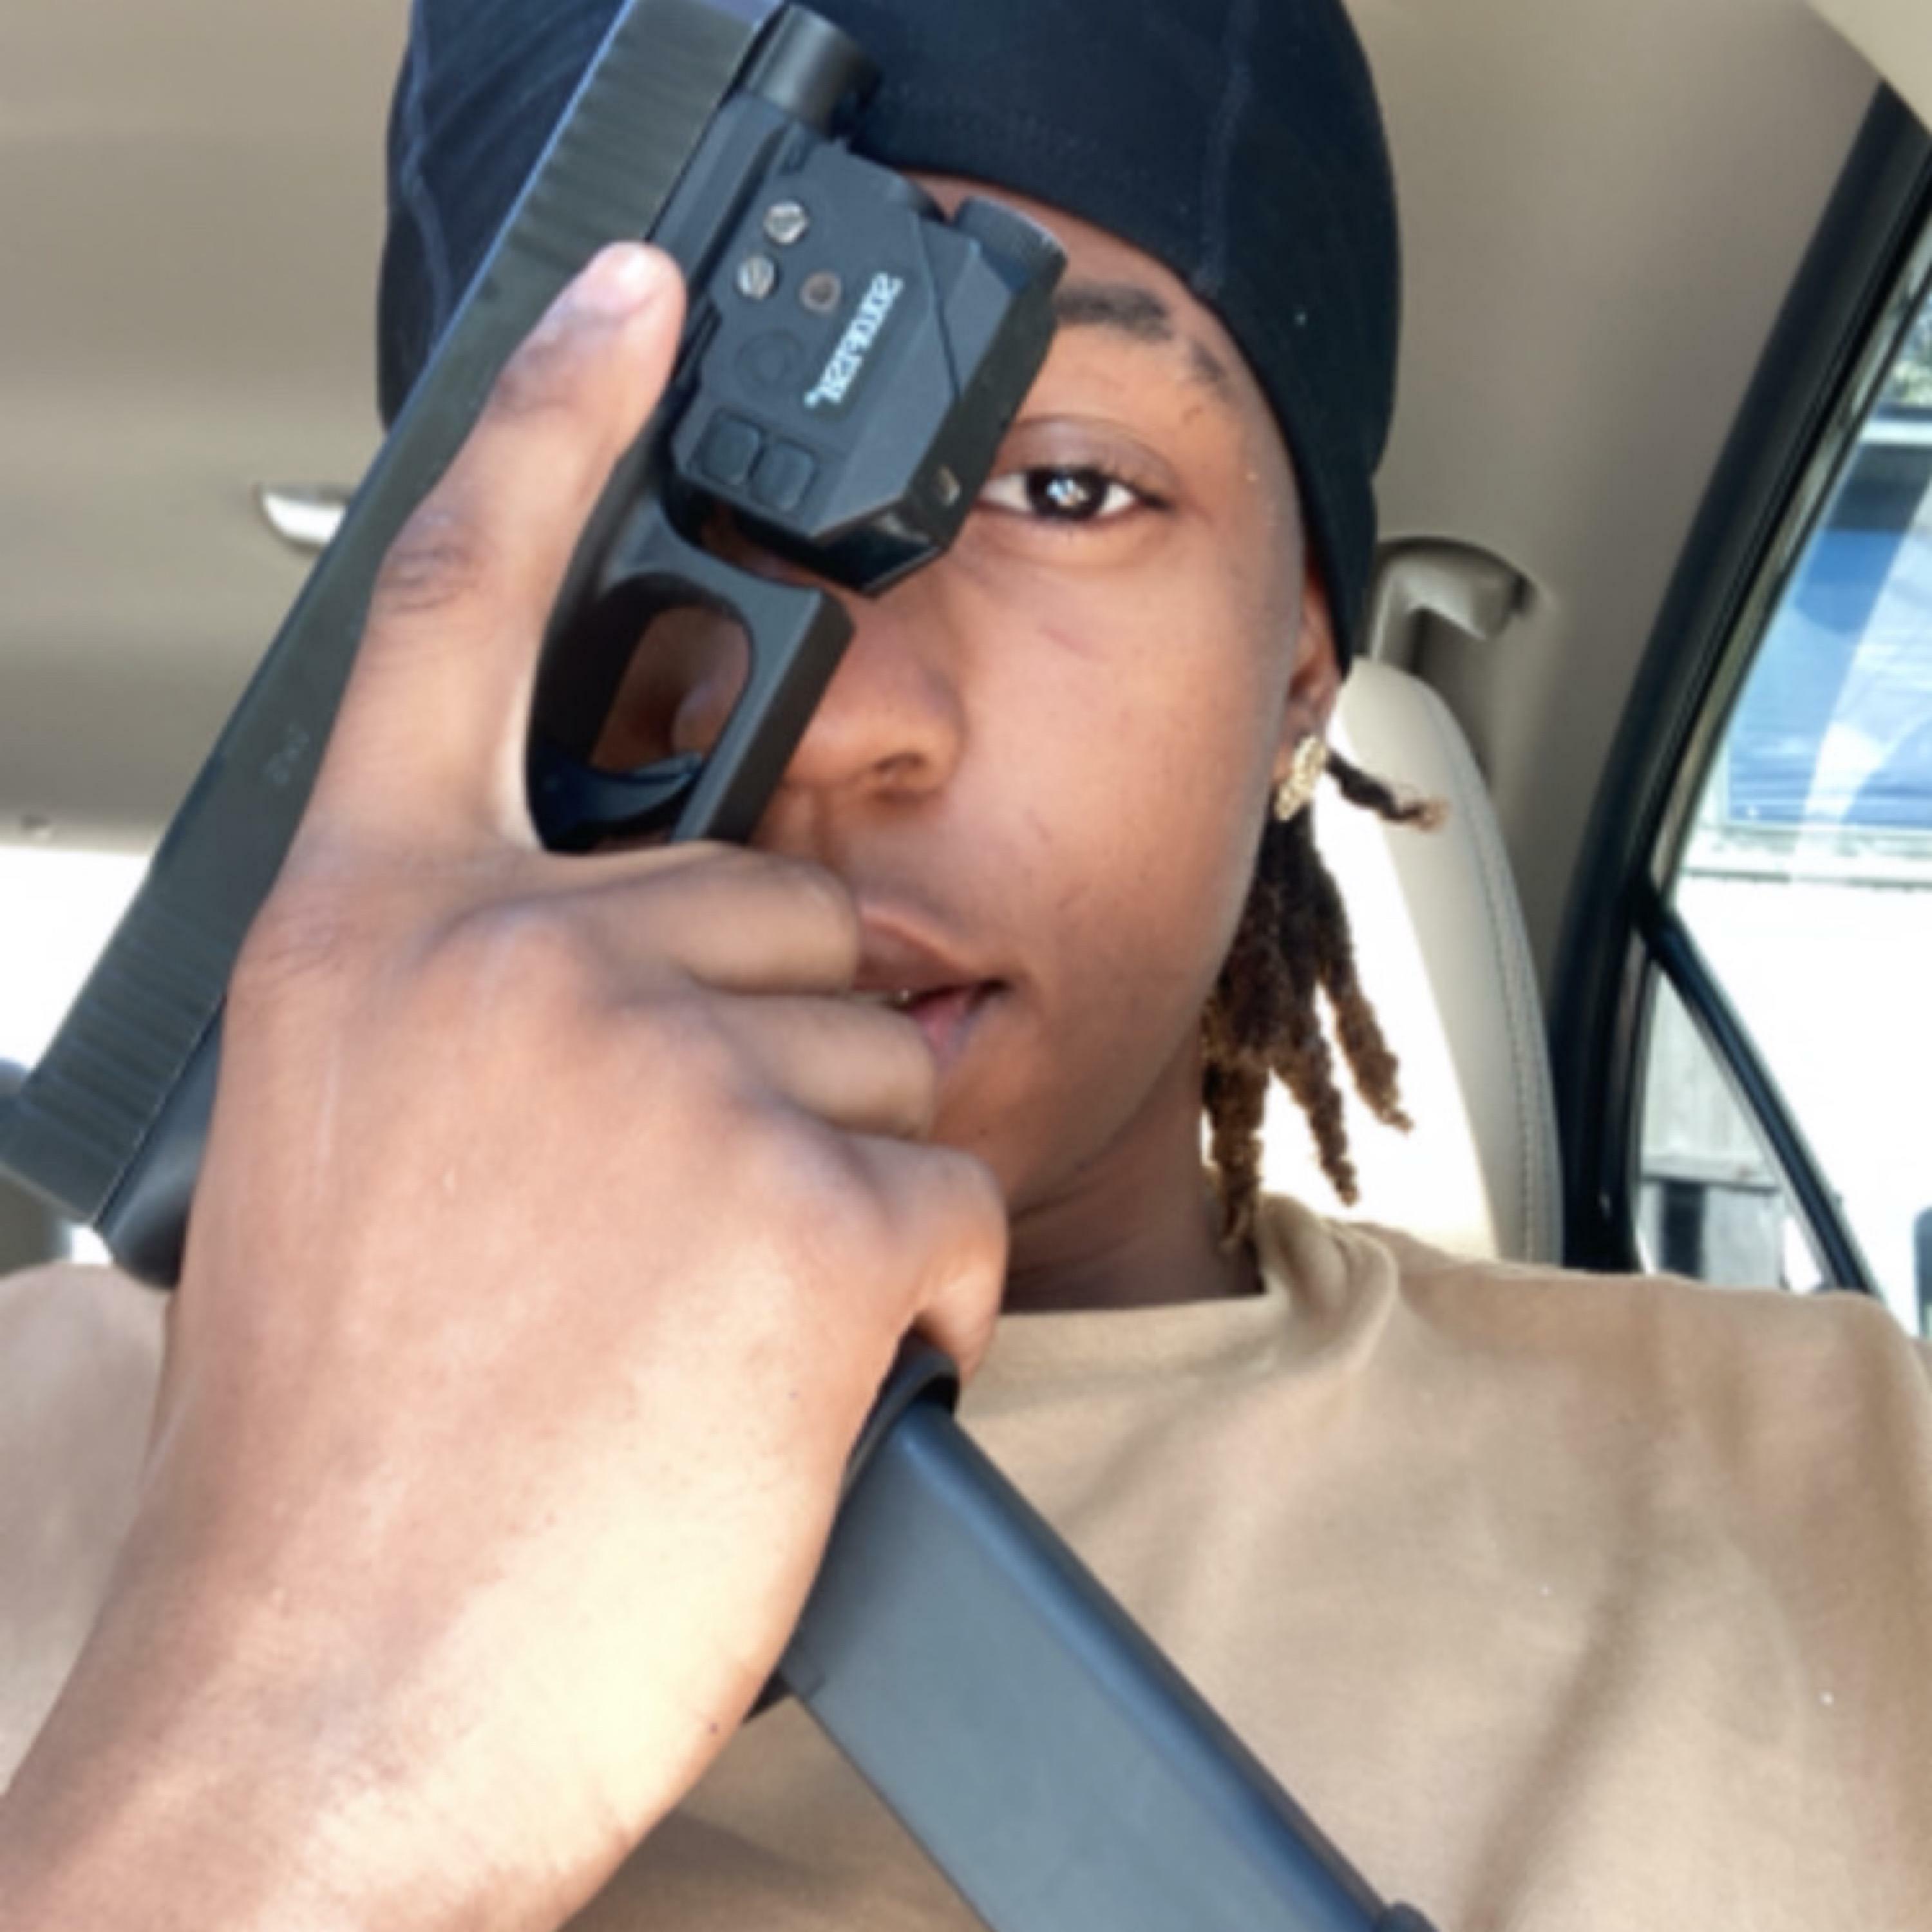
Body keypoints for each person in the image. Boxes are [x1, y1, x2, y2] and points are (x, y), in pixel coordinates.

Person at [1, 1, 1929, 1927]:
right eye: (648, 503)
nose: (842, 715)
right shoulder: (30, 1440)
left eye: (1065, 489)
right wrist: (273, 1741)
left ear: (1300, 660)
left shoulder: (1847, 1503)